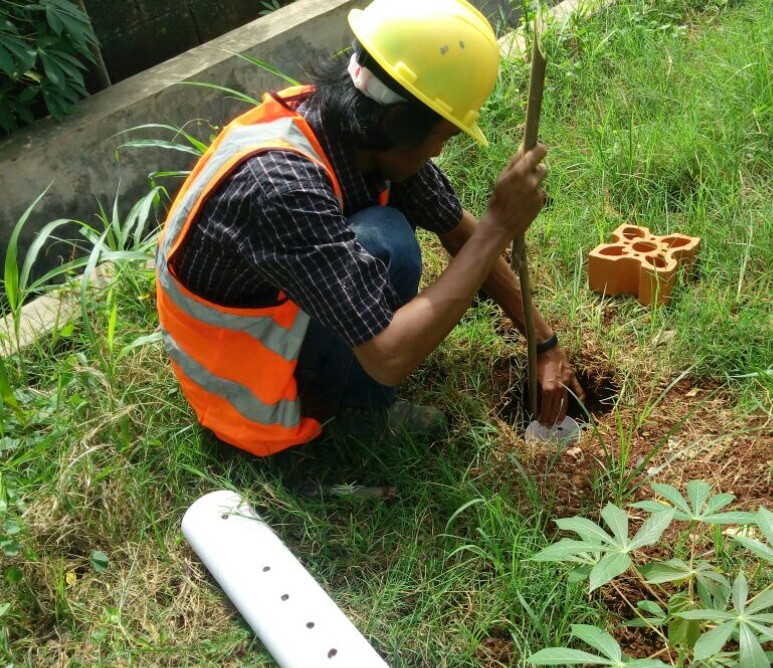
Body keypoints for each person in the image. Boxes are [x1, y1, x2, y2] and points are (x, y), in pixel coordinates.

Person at [155, 0, 584, 457]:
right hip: (241, 385)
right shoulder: (281, 189)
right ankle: (351, 417)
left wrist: (544, 342)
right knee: (387, 240)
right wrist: (499, 226)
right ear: (399, 123)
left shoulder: (359, 126)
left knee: (384, 233)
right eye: (442, 137)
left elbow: (458, 233)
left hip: (275, 312)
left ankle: (342, 391)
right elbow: (389, 357)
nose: (438, 152)